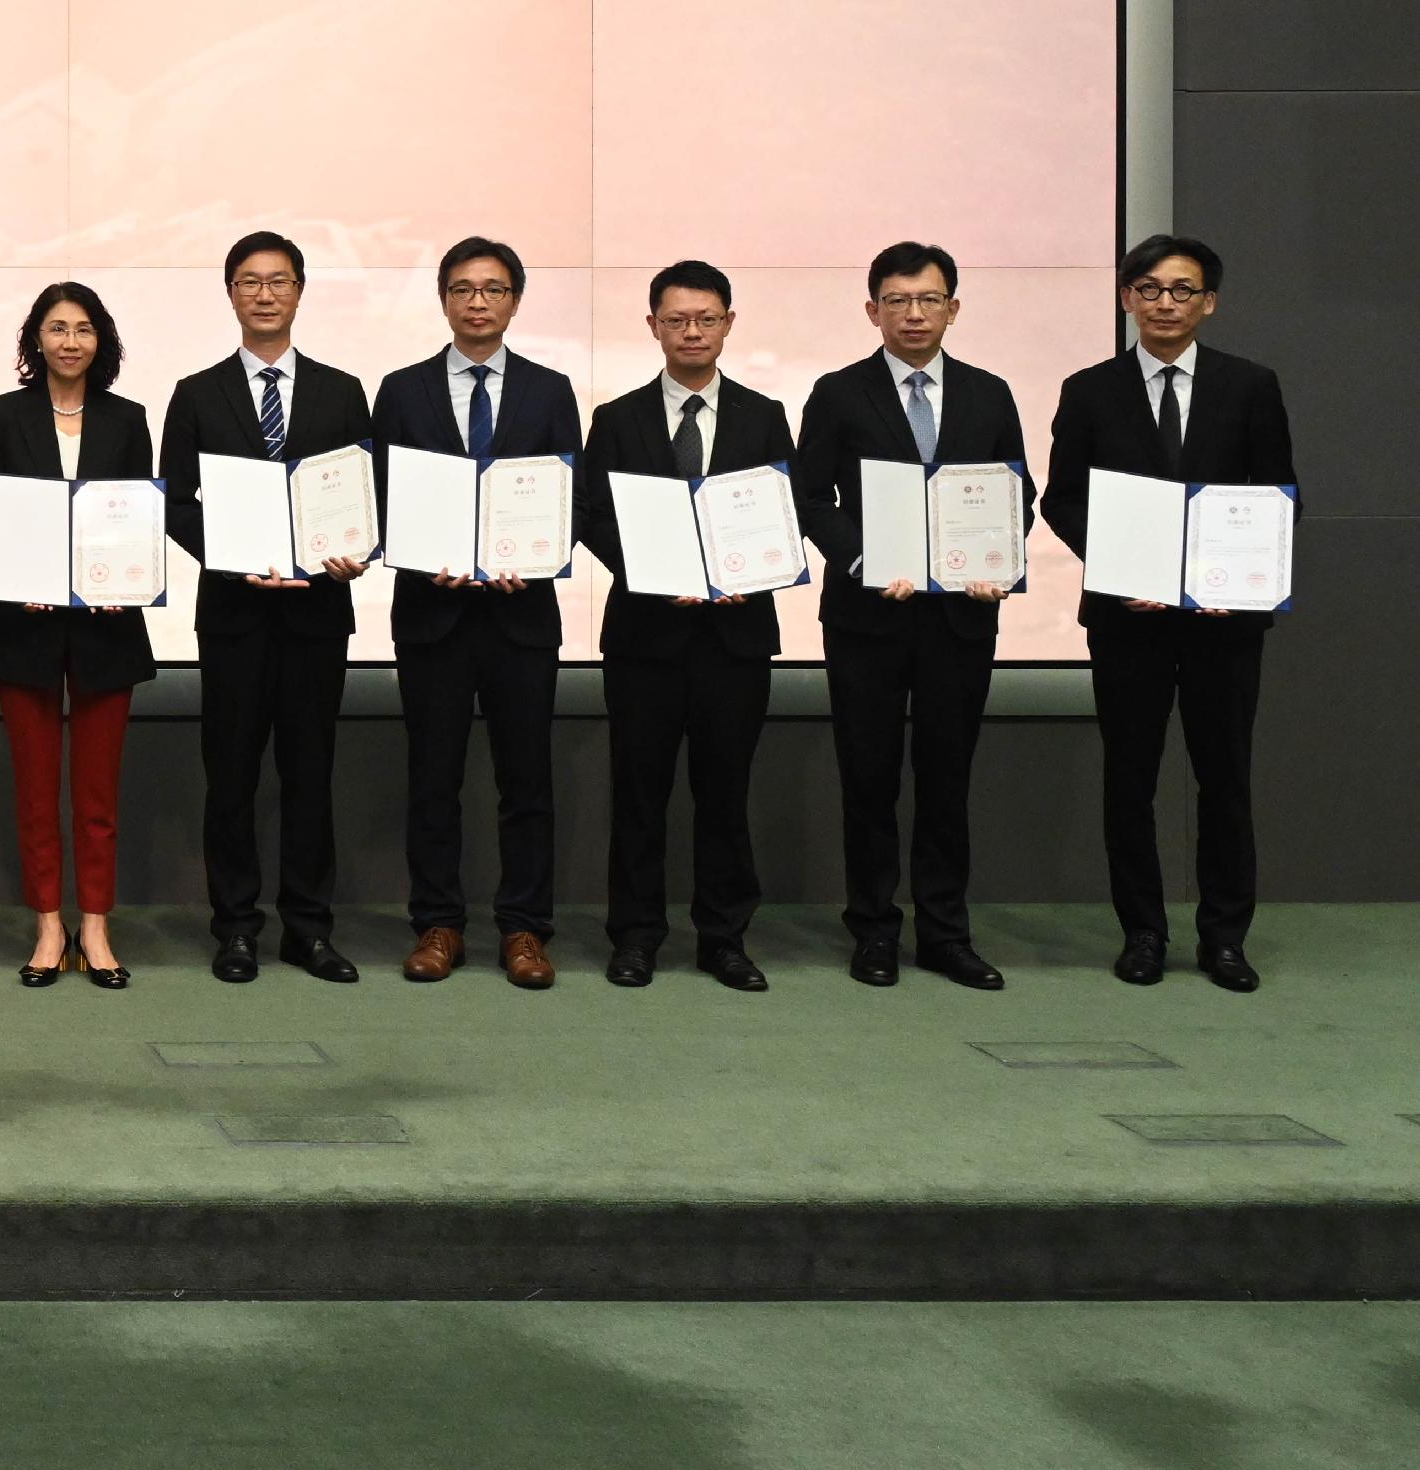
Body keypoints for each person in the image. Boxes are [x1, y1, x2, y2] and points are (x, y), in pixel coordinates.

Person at [1044, 234, 1298, 992]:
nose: (1165, 303)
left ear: (1209, 302)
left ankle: (1224, 938)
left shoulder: (1250, 385)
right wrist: (1124, 570)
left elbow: (1278, 493)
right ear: (1127, 298)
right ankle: (1143, 933)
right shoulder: (1089, 389)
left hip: (1225, 622)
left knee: (1225, 780)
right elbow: (1061, 499)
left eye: (1182, 290)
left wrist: (1241, 579)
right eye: (1149, 289)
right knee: (1131, 780)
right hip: (1129, 620)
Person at [793, 240, 1026, 991]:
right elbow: (809, 497)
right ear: (873, 310)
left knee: (947, 777)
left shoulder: (991, 394)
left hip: (960, 617)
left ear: (953, 307)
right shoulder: (837, 392)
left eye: (929, 300)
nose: (914, 314)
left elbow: (1014, 493)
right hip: (868, 617)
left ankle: (947, 934)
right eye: (897, 300)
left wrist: (998, 565)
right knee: (868, 776)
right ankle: (874, 931)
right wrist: (861, 561)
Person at [159, 230, 372, 987]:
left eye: (278, 281)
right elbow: (175, 505)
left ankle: (309, 929)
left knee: (311, 773)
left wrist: (358, 550)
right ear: (230, 294)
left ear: (300, 291)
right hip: (234, 615)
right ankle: (237, 928)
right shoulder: (195, 392)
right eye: (249, 282)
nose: (264, 294)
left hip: (318, 613)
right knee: (234, 775)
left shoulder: (343, 391)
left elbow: (361, 497)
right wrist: (234, 555)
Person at [572, 261, 791, 991]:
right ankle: (635, 936)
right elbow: (591, 516)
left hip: (736, 637)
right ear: (653, 326)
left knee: (725, 793)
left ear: (729, 323)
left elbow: (778, 517)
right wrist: (654, 570)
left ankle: (724, 937)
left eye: (706, 318)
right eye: (676, 320)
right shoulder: (617, 418)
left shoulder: (765, 416)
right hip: (645, 637)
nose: (691, 331)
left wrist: (748, 572)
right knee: (638, 793)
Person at [371, 237, 583, 990]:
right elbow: (382, 496)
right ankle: (439, 924)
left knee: (526, 781)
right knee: (434, 777)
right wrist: (421, 548)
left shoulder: (551, 390)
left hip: (522, 615)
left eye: (493, 289)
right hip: (431, 613)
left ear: (515, 301)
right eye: (462, 289)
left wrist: (535, 552)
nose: (478, 302)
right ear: (444, 300)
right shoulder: (400, 389)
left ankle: (525, 929)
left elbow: (570, 498)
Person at [0, 282, 150, 989]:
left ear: (100, 340)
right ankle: (48, 925)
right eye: (56, 327)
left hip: (109, 627)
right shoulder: (3, 414)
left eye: (83, 329)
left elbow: (140, 514)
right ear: (34, 339)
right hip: (26, 625)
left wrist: (120, 579)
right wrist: (26, 574)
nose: (69, 341)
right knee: (37, 788)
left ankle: (96, 926)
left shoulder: (128, 418)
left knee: (99, 792)